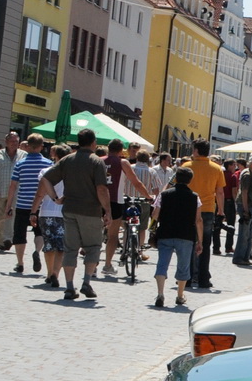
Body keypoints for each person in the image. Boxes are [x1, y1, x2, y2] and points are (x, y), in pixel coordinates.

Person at [42, 129, 110, 299]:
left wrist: (55, 198)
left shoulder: (67, 160)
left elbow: (46, 178)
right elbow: (101, 189)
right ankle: (86, 282)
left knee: (70, 248)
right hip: (90, 210)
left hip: (69, 209)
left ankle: (70, 287)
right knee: (93, 247)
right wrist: (107, 210)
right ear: (93, 143)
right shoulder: (96, 162)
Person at [151, 166, 201, 308]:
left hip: (165, 233)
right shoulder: (194, 197)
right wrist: (200, 241)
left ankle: (160, 294)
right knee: (183, 266)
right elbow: (198, 220)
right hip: (186, 235)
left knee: (162, 264)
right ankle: (180, 295)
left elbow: (155, 214)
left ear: (175, 178)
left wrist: (155, 225)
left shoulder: (164, 194)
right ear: (190, 180)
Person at [101, 140, 152, 277]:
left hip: (97, 200)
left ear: (108, 148)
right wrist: (148, 196)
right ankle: (107, 265)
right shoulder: (123, 163)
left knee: (94, 236)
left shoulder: (98, 160)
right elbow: (135, 182)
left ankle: (92, 267)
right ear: (121, 150)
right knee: (112, 235)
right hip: (115, 201)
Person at [6, 134, 54, 279]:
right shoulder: (48, 164)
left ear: (27, 146)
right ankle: (37, 252)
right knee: (39, 232)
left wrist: (8, 206)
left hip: (22, 204)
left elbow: (13, 186)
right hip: (40, 205)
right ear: (41, 146)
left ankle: (20, 263)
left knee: (19, 234)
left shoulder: (20, 164)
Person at [186, 141, 227, 292]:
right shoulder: (216, 168)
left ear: (196, 151)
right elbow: (220, 192)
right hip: (208, 209)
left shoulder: (186, 167)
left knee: (189, 243)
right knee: (206, 244)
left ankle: (187, 277)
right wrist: (221, 210)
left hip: (189, 209)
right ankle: (203, 278)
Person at [31, 146, 70, 289]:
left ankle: (48, 273)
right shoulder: (72, 173)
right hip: (65, 213)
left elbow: (40, 194)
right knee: (61, 246)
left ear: (54, 155)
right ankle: (56, 273)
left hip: (46, 211)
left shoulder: (46, 172)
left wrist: (33, 212)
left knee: (49, 245)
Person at [0, 130, 23, 250]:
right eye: (12, 141)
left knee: (11, 216)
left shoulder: (23, 155)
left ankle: (8, 239)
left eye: (16, 141)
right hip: (0, 190)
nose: (14, 143)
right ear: (6, 142)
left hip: (16, 192)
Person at [234, 158, 252, 266]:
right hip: (247, 206)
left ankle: (245, 257)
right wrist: (245, 210)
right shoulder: (247, 174)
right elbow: (244, 192)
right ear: (251, 163)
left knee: (250, 233)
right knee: (244, 234)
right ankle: (239, 257)